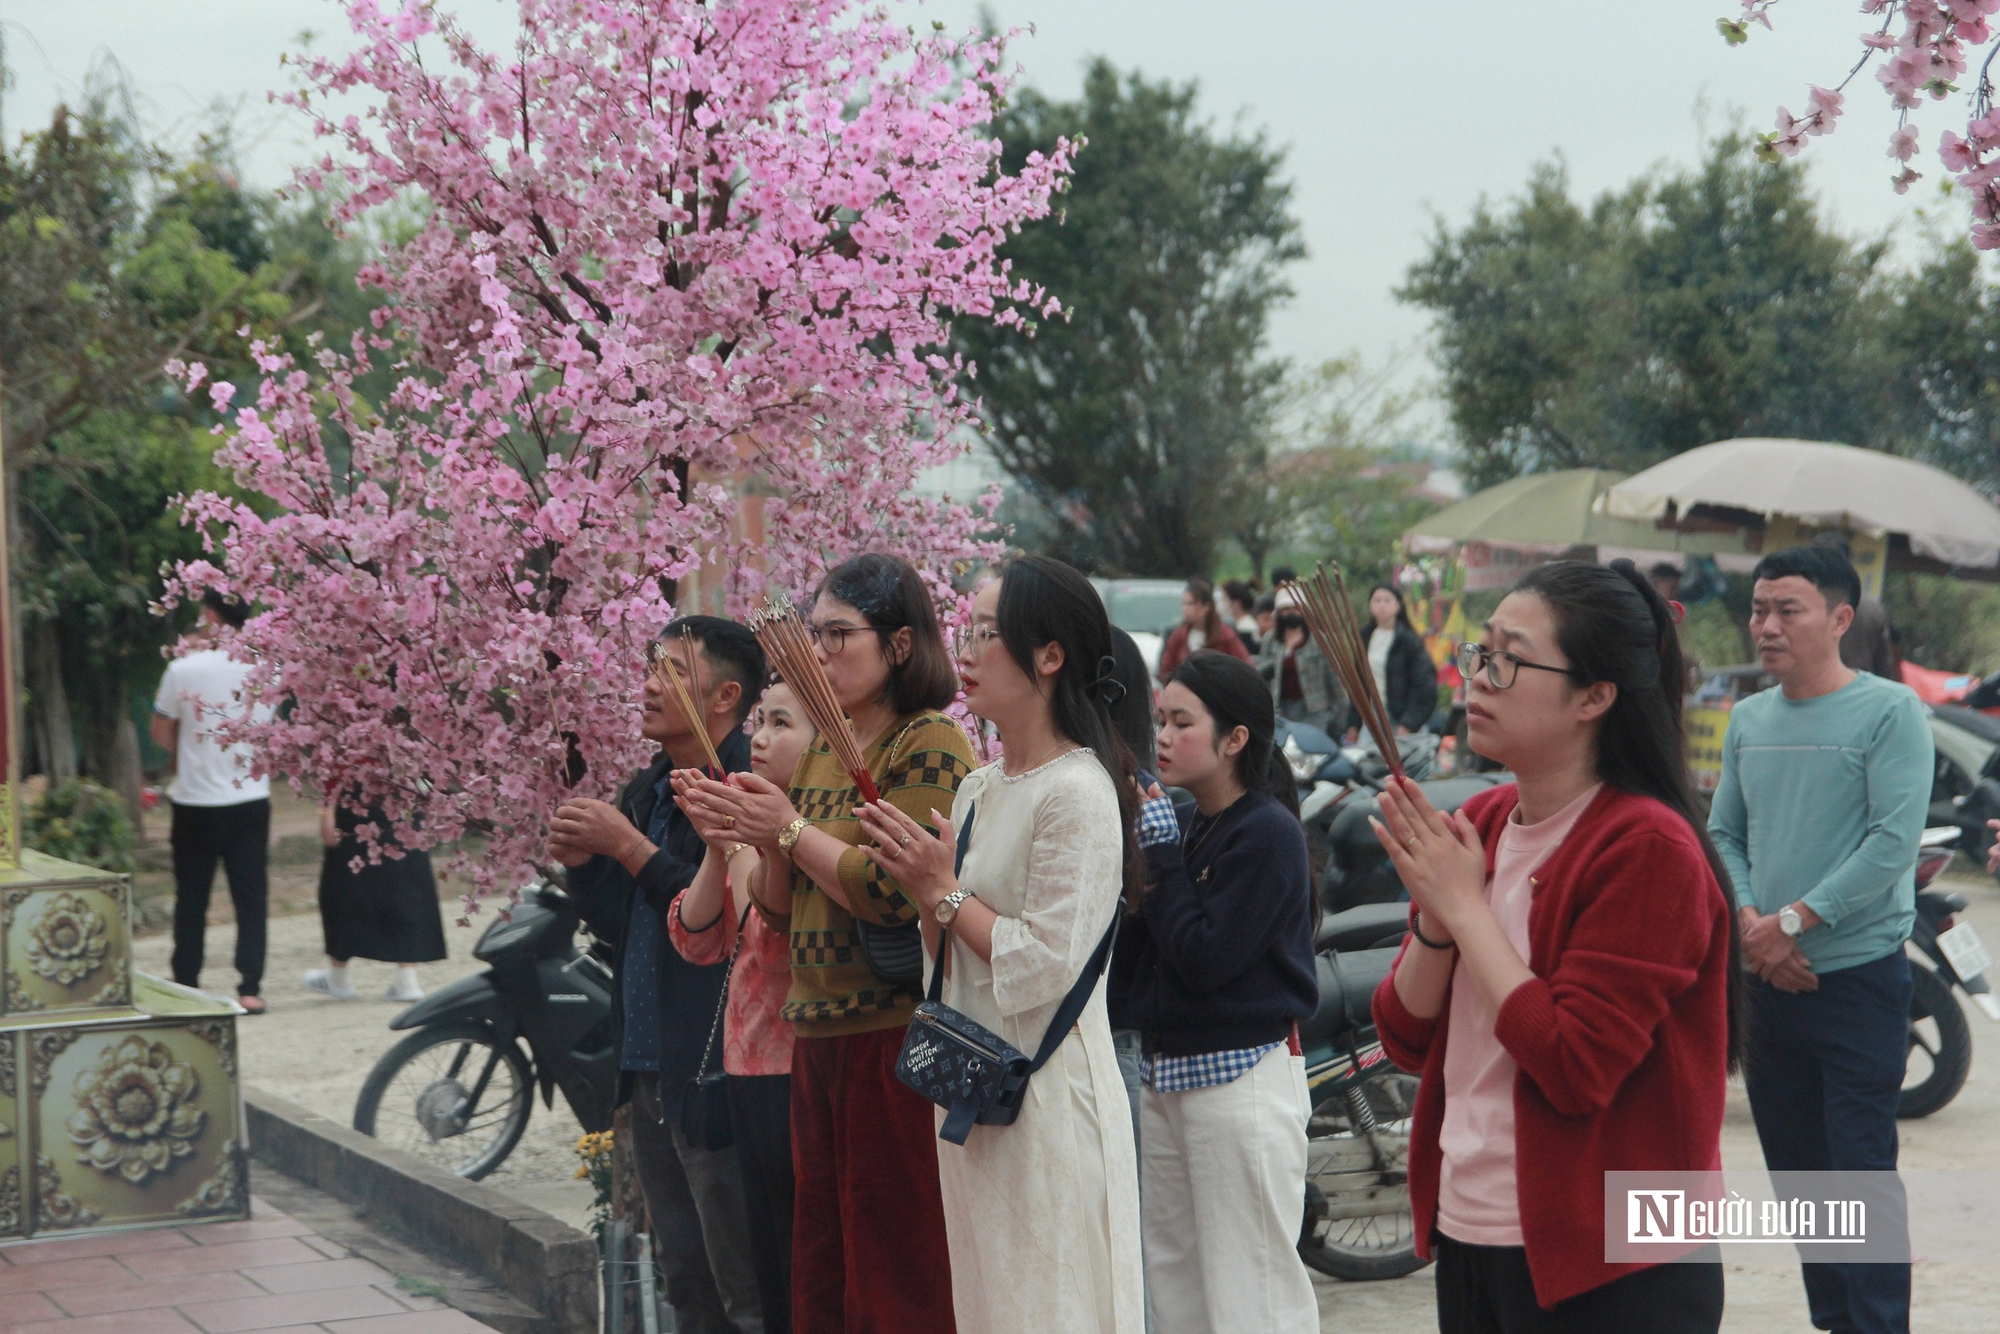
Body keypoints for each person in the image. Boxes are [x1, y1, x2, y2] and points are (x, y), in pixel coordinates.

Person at [1371, 559, 1737, 1332]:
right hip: (1478, 1227)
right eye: (1481, 651)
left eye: (1509, 658)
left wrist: (1466, 909)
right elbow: (1404, 1038)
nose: (1479, 676)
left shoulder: (1647, 847)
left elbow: (1575, 1065)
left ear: (1595, 697)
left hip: (1617, 1259)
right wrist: (1438, 917)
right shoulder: (1489, 820)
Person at [850, 556, 1144, 1331]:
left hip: (1046, 1097)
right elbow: (946, 949)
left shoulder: (1078, 792)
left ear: (1050, 656)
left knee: (1051, 1302)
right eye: (967, 629)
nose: (968, 651)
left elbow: (1045, 963)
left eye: (988, 632)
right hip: (978, 1085)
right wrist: (923, 887)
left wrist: (942, 889)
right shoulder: (980, 784)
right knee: (990, 1303)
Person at [680, 553, 969, 1334]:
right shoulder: (818, 751)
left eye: (840, 635)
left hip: (894, 1037)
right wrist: (753, 836)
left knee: (896, 1263)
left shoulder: (929, 741)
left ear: (901, 645)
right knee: (822, 1263)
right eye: (813, 635)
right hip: (815, 1033)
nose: (819, 653)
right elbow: (779, 910)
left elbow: (890, 892)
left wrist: (790, 829)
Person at [1709, 545, 1931, 1334]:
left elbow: (1891, 841)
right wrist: (1748, 926)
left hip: (1858, 984)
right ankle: (1836, 1321)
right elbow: (1723, 834)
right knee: (1801, 1180)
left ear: (1840, 619)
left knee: (1861, 1177)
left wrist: (1793, 921)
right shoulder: (1748, 718)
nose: (1766, 626)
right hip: (1768, 986)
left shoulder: (1890, 711)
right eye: (1759, 609)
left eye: (1787, 610)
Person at [547, 617, 768, 1334]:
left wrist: (630, 846)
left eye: (670, 671)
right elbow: (634, 921)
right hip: (650, 1067)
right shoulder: (650, 785)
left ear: (725, 696)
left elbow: (717, 914)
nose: (646, 684)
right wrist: (586, 866)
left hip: (715, 1069)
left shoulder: (745, 784)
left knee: (745, 1282)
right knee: (687, 1280)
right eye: (648, 666)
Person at [1123, 651, 1319, 1334]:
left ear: (1235, 739)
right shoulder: (1193, 822)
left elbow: (1205, 959)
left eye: (1183, 722)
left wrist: (1160, 856)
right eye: (1161, 721)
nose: (1165, 737)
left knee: (1251, 1290)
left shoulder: (1267, 834)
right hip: (1170, 1075)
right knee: (1175, 1285)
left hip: (1238, 1080)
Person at [668, 682, 815, 1334]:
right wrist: (713, 843)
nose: (757, 737)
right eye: (759, 720)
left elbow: (768, 932)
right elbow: (695, 936)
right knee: (763, 1259)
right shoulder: (750, 829)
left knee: (796, 1258)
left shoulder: (807, 831)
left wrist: (733, 845)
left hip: (795, 1066)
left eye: (781, 723)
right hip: (745, 1067)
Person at [152, 589, 273, 1014]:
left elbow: (161, 731)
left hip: (196, 800)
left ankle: (187, 980)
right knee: (251, 896)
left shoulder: (182, 668)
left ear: (209, 615)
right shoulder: (267, 670)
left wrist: (188, 749)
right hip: (250, 796)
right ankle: (251, 986)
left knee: (192, 895)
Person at [305, 793, 447, 1002]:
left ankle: (338, 975)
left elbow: (331, 764)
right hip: (404, 790)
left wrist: (326, 810)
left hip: (357, 792)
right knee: (404, 876)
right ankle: (407, 978)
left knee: (344, 879)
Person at [1346, 583, 1438, 739]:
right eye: (1377, 600)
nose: (1382, 605)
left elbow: (1425, 684)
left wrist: (1409, 723)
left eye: (1387, 600)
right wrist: (1353, 724)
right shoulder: (1364, 638)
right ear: (1370, 606)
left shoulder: (1409, 641)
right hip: (1372, 719)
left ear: (1398, 606)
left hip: (1400, 721)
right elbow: (1358, 684)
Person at [1256, 588, 1347, 735]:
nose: (1292, 613)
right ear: (1279, 613)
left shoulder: (1320, 641)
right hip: (1280, 708)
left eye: (1295, 609)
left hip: (1314, 709)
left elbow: (1334, 679)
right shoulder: (1270, 641)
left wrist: (1341, 715)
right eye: (1286, 610)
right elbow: (1263, 677)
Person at [1157, 579, 1252, 679]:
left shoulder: (1225, 635)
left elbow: (1246, 667)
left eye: (1191, 604)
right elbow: (1165, 670)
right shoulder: (1179, 635)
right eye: (1184, 604)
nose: (1185, 609)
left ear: (1206, 606)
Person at [1221, 579, 1261, 653]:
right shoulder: (1238, 624)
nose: (1223, 602)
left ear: (1236, 602)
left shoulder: (1247, 627)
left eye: (1225, 598)